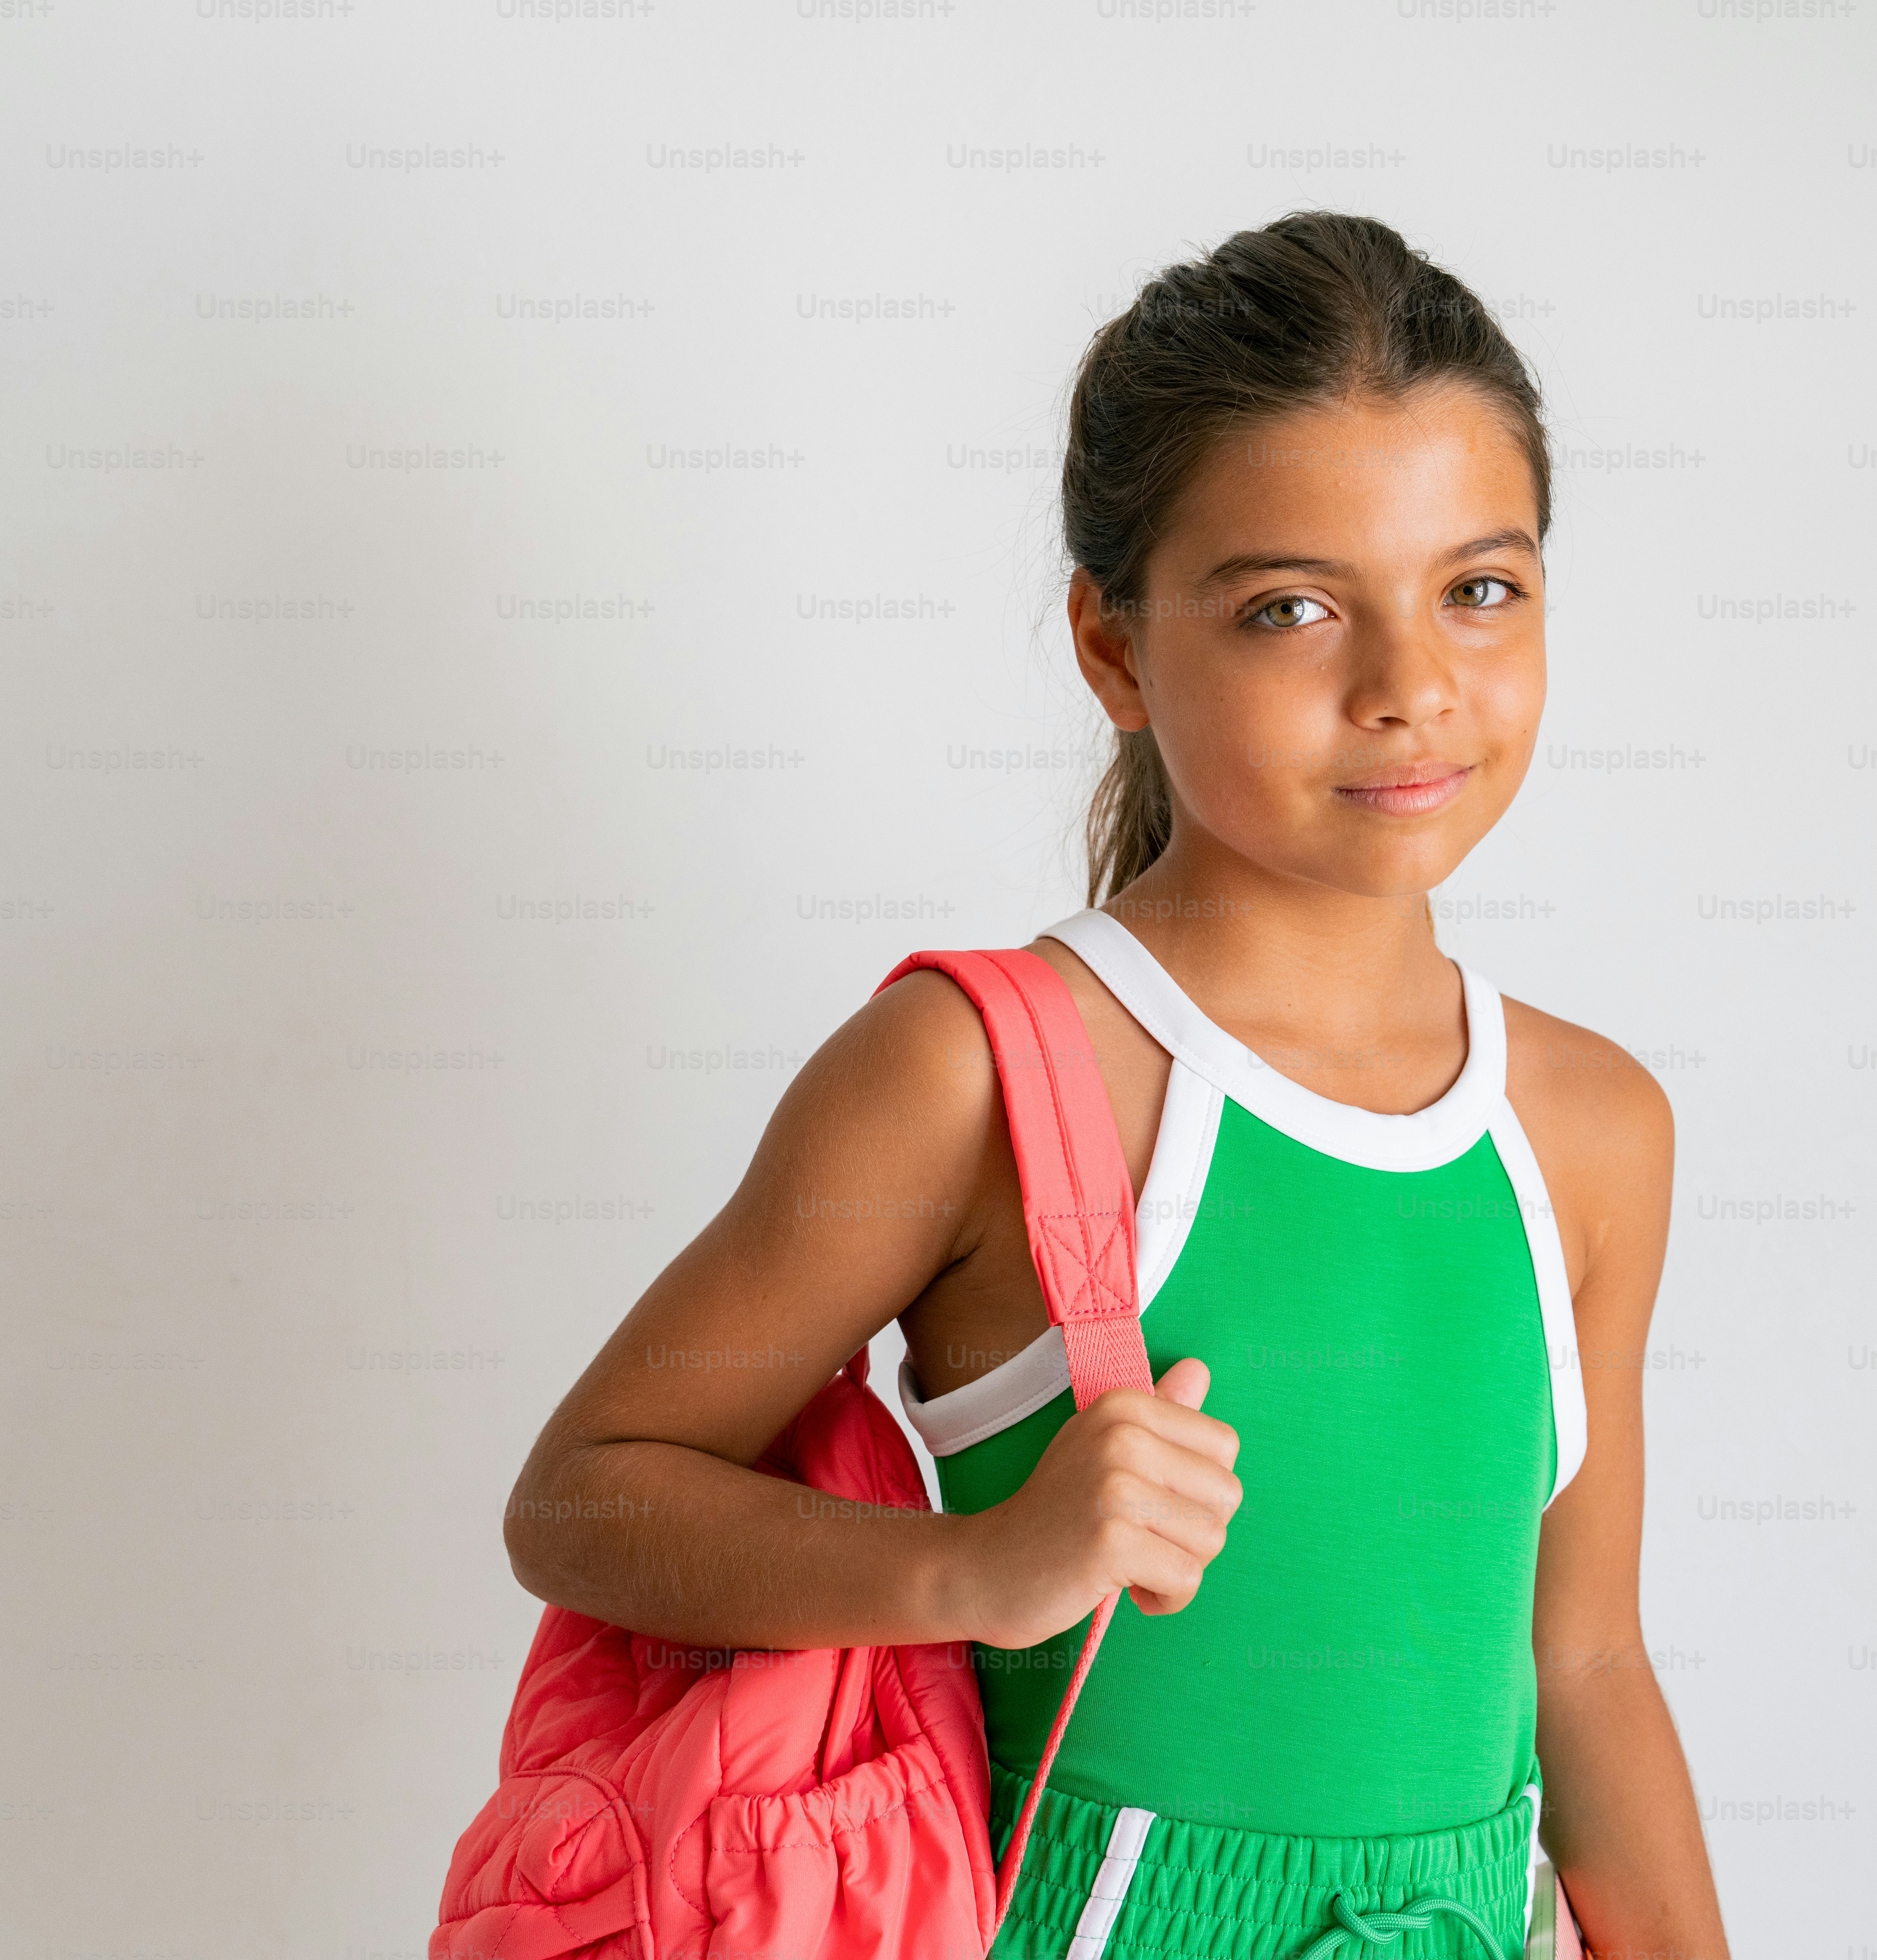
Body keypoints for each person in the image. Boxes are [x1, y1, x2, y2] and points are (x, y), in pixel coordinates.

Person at [503, 210, 1728, 1960]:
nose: (1409, 688)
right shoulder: (977, 1071)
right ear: (1112, 647)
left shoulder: (1594, 1128)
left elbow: (1585, 1660)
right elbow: (584, 1492)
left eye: (1478, 587)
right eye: (1290, 608)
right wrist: (977, 1572)